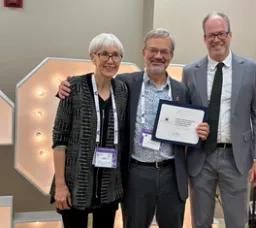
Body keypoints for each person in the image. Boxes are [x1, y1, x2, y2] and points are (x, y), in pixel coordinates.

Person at [58, 28, 209, 228]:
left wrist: (200, 131)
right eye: (153, 50)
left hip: (171, 173)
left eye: (164, 52)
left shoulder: (181, 90)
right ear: (144, 52)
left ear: (171, 56)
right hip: (136, 173)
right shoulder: (125, 83)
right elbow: (94, 84)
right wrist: (65, 85)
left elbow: (190, 125)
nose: (158, 56)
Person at [182, 12, 256, 228]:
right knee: (201, 220)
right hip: (201, 156)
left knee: (237, 221)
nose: (216, 39)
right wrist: (192, 128)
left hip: (236, 157)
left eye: (221, 33)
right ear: (204, 39)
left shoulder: (251, 69)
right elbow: (185, 113)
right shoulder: (191, 71)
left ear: (230, 35)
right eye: (211, 35)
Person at [50, 33, 128, 228]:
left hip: (109, 185)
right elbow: (59, 139)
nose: (110, 60)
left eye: (116, 55)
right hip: (76, 182)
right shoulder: (73, 87)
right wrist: (60, 185)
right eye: (104, 54)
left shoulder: (122, 91)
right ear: (92, 56)